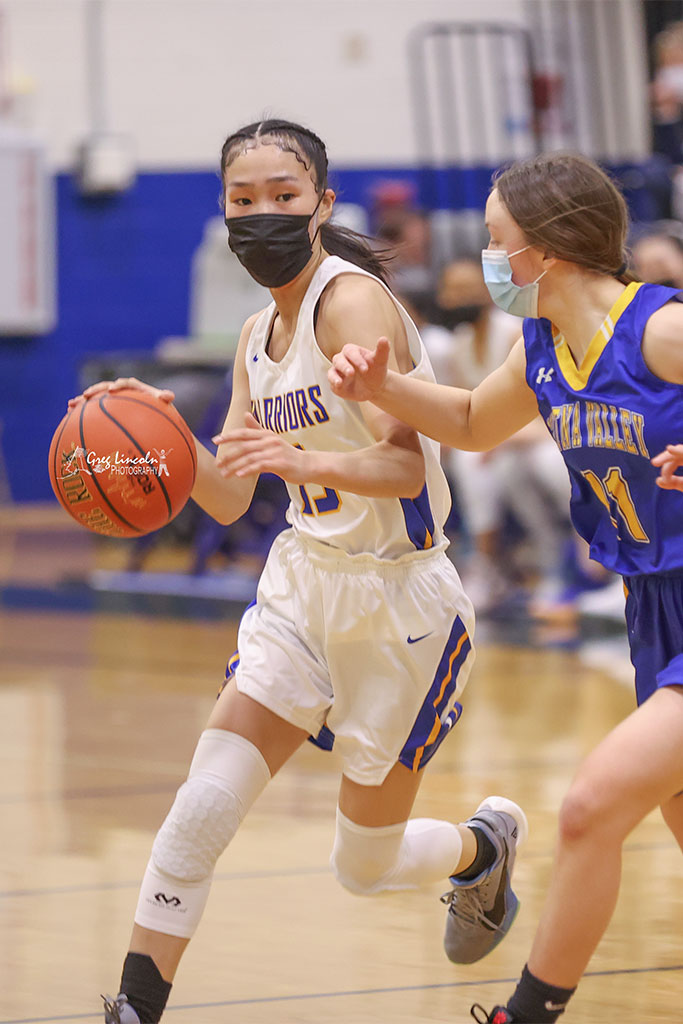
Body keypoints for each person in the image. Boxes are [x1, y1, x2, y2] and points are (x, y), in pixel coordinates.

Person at [73, 119, 527, 1024]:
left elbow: (406, 468)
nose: (263, 214)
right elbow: (234, 497)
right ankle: (132, 1008)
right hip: (300, 588)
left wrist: (298, 461)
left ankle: (480, 851)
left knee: (362, 869)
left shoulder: (349, 304)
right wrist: (159, 430)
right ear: (224, 211)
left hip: (401, 603)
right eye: (244, 200)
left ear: (322, 203)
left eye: (284, 195)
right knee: (199, 809)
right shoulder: (253, 334)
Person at [328, 150, 683, 1023]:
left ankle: (524, 1014)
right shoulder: (546, 349)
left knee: (590, 807)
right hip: (654, 609)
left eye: (495, 240)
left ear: (549, 249)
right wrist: (384, 388)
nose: (487, 259)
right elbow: (470, 423)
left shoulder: (659, 331)